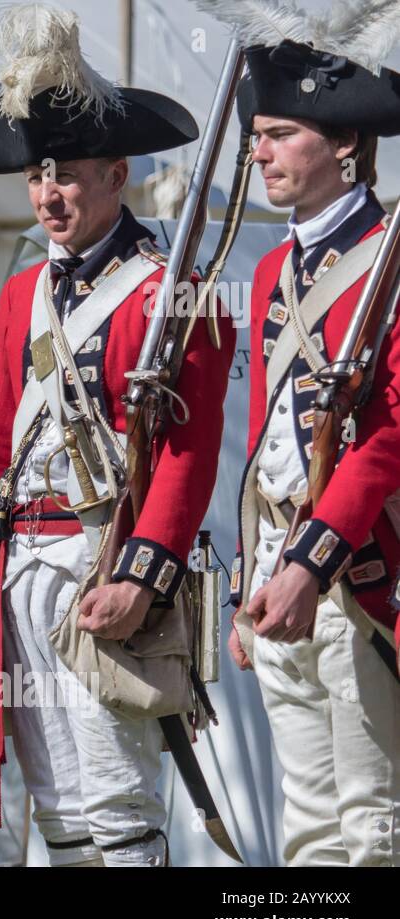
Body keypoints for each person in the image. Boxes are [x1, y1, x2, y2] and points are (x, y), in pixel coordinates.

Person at [0, 4, 235, 866]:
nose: (47, 193)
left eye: (66, 173)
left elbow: (189, 455)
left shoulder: (173, 293)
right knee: (58, 807)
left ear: (118, 173)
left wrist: (143, 577)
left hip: (101, 562)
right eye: (37, 175)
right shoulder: (20, 297)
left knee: (117, 797)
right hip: (18, 571)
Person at [208, 5, 400, 866]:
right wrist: (254, 576)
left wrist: (307, 567)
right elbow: (267, 444)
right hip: (281, 571)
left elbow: (391, 436)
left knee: (371, 825)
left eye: (281, 134)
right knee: (309, 830)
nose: (259, 153)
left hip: (361, 576)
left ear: (346, 144)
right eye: (257, 135)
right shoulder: (272, 273)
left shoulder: (391, 257)